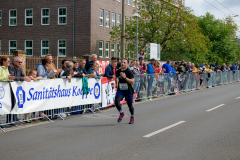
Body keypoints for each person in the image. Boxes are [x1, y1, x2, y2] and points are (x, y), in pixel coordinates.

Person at [115, 58, 135, 124]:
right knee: (116, 101)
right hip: (120, 90)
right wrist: (116, 84)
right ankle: (121, 113)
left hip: (128, 91)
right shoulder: (118, 71)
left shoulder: (129, 72)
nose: (122, 63)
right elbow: (116, 77)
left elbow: (133, 82)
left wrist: (125, 77)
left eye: (124, 62)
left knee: (130, 106)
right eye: (122, 62)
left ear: (127, 64)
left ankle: (132, 117)